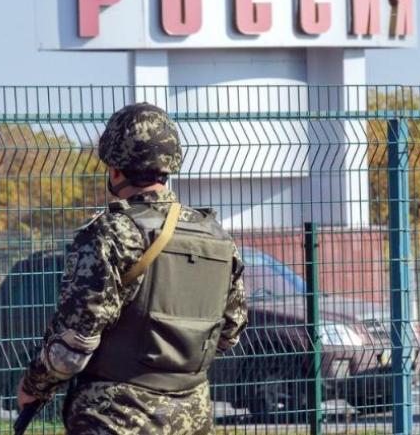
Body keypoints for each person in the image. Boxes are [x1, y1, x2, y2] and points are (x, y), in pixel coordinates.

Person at [17, 102, 248, 434]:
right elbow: (230, 332)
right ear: (170, 165)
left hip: (116, 416)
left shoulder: (112, 233)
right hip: (193, 415)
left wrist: (34, 385)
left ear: (115, 170)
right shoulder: (217, 237)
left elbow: (74, 344)